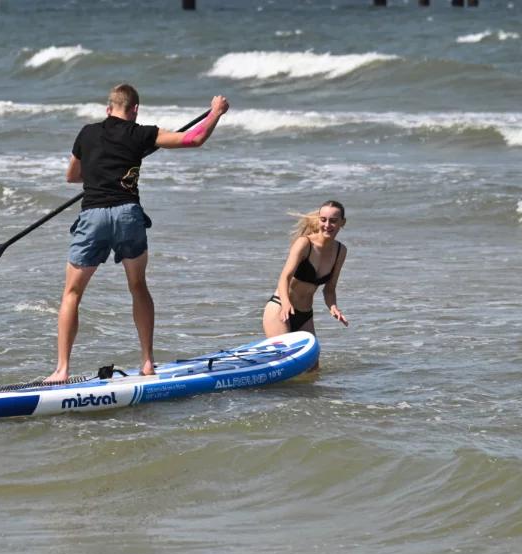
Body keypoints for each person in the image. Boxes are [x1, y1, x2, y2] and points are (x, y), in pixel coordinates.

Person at [44, 84, 230, 383]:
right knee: (138, 286)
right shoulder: (142, 133)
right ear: (135, 111)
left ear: (108, 109)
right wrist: (216, 113)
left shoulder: (87, 133)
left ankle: (62, 369)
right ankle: (147, 362)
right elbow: (192, 139)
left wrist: (97, 173)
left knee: (72, 294)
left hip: (92, 216)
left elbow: (72, 176)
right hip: (128, 215)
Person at [262, 200, 349, 369]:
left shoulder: (340, 251)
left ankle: (305, 397)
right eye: (323, 219)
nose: (327, 225)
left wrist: (333, 307)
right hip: (281, 309)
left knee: (313, 367)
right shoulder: (304, 243)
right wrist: (286, 304)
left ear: (342, 223)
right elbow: (284, 278)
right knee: (286, 363)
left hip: (305, 315)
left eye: (333, 220)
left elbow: (329, 290)